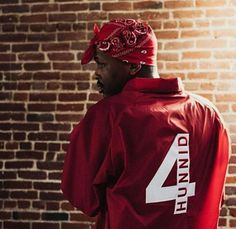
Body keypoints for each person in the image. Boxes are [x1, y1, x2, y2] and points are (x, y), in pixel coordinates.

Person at [61, 18, 230, 229]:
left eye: (102, 64)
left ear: (133, 66)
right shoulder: (209, 114)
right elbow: (214, 195)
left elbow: (83, 197)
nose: (97, 72)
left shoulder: (109, 116)